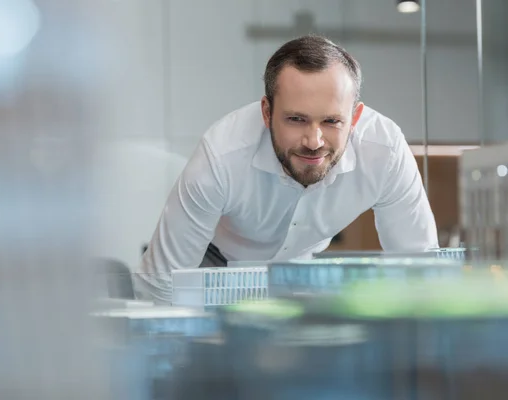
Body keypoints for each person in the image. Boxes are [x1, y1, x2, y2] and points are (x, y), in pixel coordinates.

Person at [134, 35, 438, 303]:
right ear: (267, 112)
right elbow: (160, 285)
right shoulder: (222, 155)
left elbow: (420, 268)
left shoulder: (385, 152)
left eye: (331, 121)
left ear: (355, 118)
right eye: (296, 120)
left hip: (303, 276)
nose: (314, 141)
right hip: (214, 267)